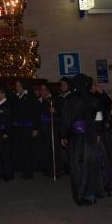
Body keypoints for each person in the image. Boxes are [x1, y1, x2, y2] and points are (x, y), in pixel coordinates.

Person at [61, 74, 103, 205]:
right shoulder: (94, 100)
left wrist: (63, 135)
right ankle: (91, 194)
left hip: (77, 138)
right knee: (91, 165)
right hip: (91, 136)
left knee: (78, 166)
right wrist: (98, 132)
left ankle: (81, 196)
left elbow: (67, 119)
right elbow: (99, 117)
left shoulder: (71, 100)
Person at [11, 79, 40, 179]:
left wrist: (35, 128)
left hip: (28, 127)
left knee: (27, 150)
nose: (17, 88)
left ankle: (28, 172)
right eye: (16, 86)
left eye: (19, 86)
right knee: (22, 149)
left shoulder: (31, 97)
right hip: (20, 128)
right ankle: (23, 169)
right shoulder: (18, 97)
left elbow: (35, 113)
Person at [38, 83, 63, 178]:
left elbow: (60, 114)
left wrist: (54, 111)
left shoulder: (53, 100)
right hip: (43, 128)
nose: (42, 91)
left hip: (52, 127)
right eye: (41, 89)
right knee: (45, 149)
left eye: (44, 89)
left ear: (48, 91)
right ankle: (47, 168)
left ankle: (57, 169)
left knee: (54, 149)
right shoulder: (39, 101)